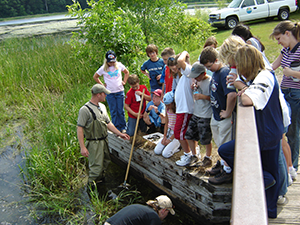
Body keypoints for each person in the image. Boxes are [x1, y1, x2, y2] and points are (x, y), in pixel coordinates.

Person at [213, 45, 284, 218]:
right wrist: (246, 86)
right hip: (267, 131)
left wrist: (245, 89)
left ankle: (270, 208)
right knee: (269, 169)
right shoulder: (261, 75)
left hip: (266, 134)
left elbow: (247, 99)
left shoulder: (265, 77)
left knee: (268, 170)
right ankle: (269, 203)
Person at [77, 84, 130, 189]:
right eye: (104, 94)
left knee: (105, 162)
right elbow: (79, 128)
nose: (106, 96)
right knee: (96, 168)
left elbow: (108, 123)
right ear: (98, 95)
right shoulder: (85, 110)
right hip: (93, 142)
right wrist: (82, 147)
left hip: (104, 140)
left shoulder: (102, 107)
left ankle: (101, 185)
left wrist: (120, 134)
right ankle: (91, 189)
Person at [200, 46, 237, 177]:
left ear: (216, 60)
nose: (208, 70)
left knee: (225, 145)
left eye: (209, 66)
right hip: (215, 115)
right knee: (219, 142)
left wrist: (227, 111)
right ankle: (222, 164)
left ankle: (227, 171)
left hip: (225, 117)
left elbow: (231, 94)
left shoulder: (224, 72)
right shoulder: (215, 73)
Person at [270, 20, 300, 174]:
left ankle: (293, 165)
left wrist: (292, 73)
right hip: (285, 93)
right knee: (284, 129)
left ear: (287, 33)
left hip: (296, 95)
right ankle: (287, 163)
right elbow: (272, 66)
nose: (279, 43)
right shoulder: (286, 51)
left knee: (293, 131)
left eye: (279, 39)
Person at [172, 51, 198, 167]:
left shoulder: (189, 71)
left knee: (179, 133)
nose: (177, 67)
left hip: (185, 109)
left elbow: (180, 61)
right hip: (182, 109)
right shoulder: (185, 74)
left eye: (178, 66)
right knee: (187, 133)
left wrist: (185, 52)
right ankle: (193, 153)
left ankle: (189, 154)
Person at [93, 50, 129, 133]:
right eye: (110, 62)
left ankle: (123, 127)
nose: (112, 64)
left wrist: (124, 81)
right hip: (109, 93)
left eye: (113, 62)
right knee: (113, 111)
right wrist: (102, 85)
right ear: (106, 61)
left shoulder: (119, 65)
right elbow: (95, 76)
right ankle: (116, 128)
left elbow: (126, 72)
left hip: (119, 91)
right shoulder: (103, 68)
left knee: (120, 110)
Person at [185, 62, 213, 167]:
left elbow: (214, 99)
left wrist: (203, 96)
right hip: (196, 112)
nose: (195, 78)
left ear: (203, 73)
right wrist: (194, 87)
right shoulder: (197, 81)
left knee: (205, 138)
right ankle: (194, 155)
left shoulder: (210, 81)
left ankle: (208, 157)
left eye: (196, 76)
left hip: (206, 114)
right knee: (189, 135)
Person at [104, 195, 175, 225]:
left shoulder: (139, 207)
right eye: (167, 213)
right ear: (163, 210)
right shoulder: (154, 217)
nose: (166, 215)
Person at [154, 91, 180, 158]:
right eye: (166, 105)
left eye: (168, 105)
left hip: (176, 135)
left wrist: (170, 139)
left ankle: (177, 147)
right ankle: (169, 146)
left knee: (165, 154)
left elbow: (179, 128)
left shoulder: (178, 111)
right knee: (157, 151)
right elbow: (166, 123)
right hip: (169, 132)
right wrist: (165, 136)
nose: (167, 107)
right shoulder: (167, 109)